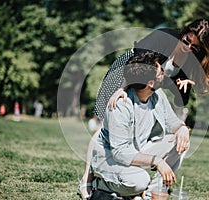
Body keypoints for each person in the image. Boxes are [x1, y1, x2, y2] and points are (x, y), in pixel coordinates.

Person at [79, 51, 190, 199]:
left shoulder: (157, 96)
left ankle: (151, 194)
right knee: (139, 181)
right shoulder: (120, 105)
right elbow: (120, 153)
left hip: (137, 152)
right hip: (112, 158)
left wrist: (182, 128)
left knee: (181, 141)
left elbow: (172, 121)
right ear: (150, 83)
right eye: (160, 71)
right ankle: (100, 184)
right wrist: (156, 161)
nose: (164, 73)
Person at [94, 18, 209, 120]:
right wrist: (122, 88)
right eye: (186, 41)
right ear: (184, 32)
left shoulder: (189, 62)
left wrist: (183, 89)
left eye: (194, 47)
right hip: (126, 70)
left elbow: (180, 101)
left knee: (128, 127)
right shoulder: (164, 37)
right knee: (106, 117)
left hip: (144, 88)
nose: (187, 48)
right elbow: (136, 63)